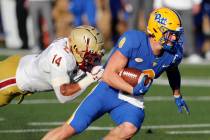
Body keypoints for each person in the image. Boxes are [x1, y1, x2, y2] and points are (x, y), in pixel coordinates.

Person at [42, 8, 189, 140]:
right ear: (157, 30)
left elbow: (172, 69)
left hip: (131, 99)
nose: (175, 39)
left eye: (176, 35)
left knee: (129, 129)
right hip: (108, 90)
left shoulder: (173, 54)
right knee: (71, 128)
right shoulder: (134, 40)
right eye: (171, 34)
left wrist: (177, 94)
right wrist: (132, 88)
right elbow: (108, 74)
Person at [0, 25, 104, 107]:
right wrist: (90, 79)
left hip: (20, 64)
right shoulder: (61, 57)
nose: (94, 59)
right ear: (76, 48)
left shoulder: (72, 47)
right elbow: (63, 96)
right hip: (11, 78)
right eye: (90, 54)